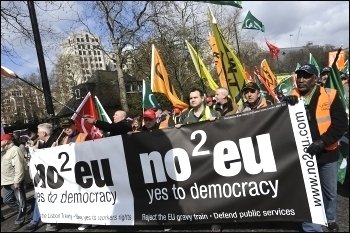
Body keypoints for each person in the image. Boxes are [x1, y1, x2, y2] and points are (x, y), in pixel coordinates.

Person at [285, 64, 348, 232]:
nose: (301, 80)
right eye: (299, 76)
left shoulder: (330, 95)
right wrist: (285, 106)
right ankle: (312, 224)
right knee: (309, 192)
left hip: (327, 152)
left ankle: (330, 218)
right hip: (303, 155)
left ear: (315, 79)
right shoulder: (290, 97)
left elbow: (341, 124)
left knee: (329, 191)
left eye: (306, 76)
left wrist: (323, 142)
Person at [25, 123, 58, 232]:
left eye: (39, 132)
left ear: (43, 133)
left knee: (50, 199)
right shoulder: (40, 143)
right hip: (43, 176)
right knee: (40, 197)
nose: (38, 134)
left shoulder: (54, 142)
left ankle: (51, 222)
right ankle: (35, 221)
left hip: (53, 177)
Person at [1, 133, 27, 231]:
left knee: (21, 201)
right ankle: (25, 209)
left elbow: (19, 167)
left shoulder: (15, 150)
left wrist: (17, 181)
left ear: (6, 141)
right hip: (6, 182)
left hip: (15, 181)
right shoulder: (4, 151)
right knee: (6, 200)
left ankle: (20, 219)